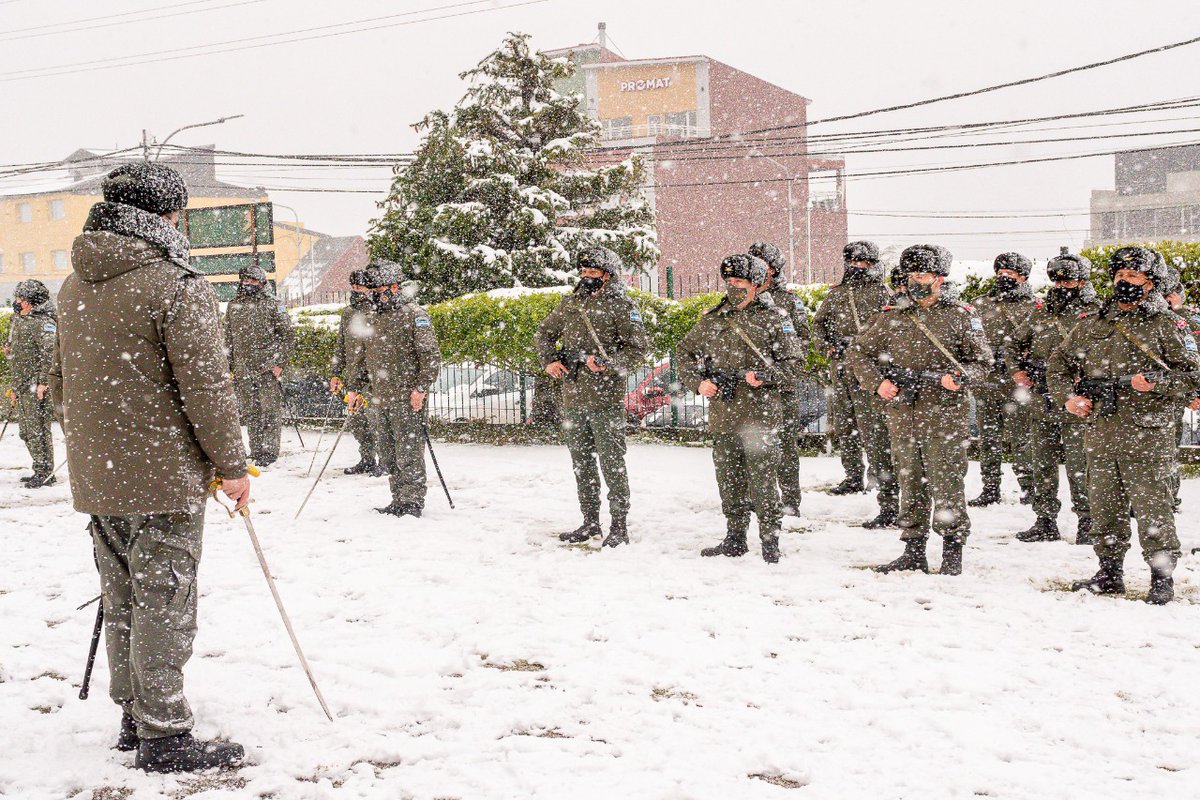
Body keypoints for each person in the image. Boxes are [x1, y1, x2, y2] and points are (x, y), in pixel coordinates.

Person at [49, 162, 247, 772]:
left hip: (100, 475)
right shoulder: (175, 284)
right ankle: (164, 733)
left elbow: (60, 383)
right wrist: (233, 465)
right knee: (165, 598)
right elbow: (207, 387)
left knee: (124, 597)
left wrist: (94, 448)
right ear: (165, 216)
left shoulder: (74, 286)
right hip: (161, 474)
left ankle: (135, 716)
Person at [1050, 246, 1200, 604]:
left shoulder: (1168, 324)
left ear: (1151, 282)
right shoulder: (1093, 324)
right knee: (1104, 508)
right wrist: (1068, 400)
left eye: (1133, 276)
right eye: (1119, 276)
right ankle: (1109, 573)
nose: (1124, 282)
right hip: (1101, 431)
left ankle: (1161, 577)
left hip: (1147, 434)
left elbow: (1192, 375)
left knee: (1153, 511)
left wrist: (1155, 384)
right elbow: (1058, 366)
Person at [846, 244, 992, 576]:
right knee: (909, 482)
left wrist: (960, 379)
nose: (915, 281)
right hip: (903, 415)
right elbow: (859, 352)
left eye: (922, 275)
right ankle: (913, 550)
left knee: (947, 484)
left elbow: (983, 363)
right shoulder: (892, 315)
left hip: (943, 416)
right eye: (911, 275)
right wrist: (877, 383)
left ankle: (952, 551)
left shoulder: (960, 315)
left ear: (940, 278)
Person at [675, 253, 804, 563]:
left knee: (762, 481)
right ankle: (735, 537)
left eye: (740, 282)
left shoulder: (775, 318)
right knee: (729, 479)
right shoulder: (714, 318)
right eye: (729, 281)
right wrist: (698, 383)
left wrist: (766, 375)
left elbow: (795, 364)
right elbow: (685, 352)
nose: (733, 287)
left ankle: (770, 540)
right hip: (724, 411)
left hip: (759, 414)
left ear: (756, 285)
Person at [535, 246, 649, 546]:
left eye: (593, 273)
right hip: (572, 397)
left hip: (604, 400)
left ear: (608, 275)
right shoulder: (570, 304)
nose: (586, 278)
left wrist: (609, 363)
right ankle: (589, 522)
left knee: (612, 464)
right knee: (581, 464)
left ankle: (619, 525)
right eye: (583, 272)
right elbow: (544, 333)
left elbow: (637, 347)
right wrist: (549, 360)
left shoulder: (622, 307)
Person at [1010, 248, 1100, 543]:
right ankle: (1045, 519)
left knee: (1080, 465)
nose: (1063, 287)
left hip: (1077, 397)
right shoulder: (1041, 312)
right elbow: (1012, 344)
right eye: (1058, 281)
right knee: (1042, 462)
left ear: (1082, 281)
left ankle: (1087, 522)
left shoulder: (1096, 313)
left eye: (1069, 281)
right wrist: (1017, 372)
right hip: (1042, 397)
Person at [811, 241, 899, 528]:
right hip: (841, 369)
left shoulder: (884, 293)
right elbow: (819, 324)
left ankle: (879, 477)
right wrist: (829, 345)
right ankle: (852, 476)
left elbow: (892, 329)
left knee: (873, 428)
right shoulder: (837, 294)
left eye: (864, 262)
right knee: (844, 425)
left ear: (874, 264)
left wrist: (870, 350)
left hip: (870, 371)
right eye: (853, 262)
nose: (858, 267)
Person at [345, 262, 441, 517]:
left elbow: (430, 355)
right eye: (372, 288)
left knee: (408, 451)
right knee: (387, 452)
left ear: (394, 287)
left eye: (379, 288)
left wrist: (421, 387)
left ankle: (411, 501)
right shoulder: (371, 317)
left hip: (407, 397)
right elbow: (362, 357)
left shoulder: (415, 315)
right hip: (379, 396)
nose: (374, 293)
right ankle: (397, 497)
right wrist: (353, 387)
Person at [967, 253, 1038, 507]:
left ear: (1023, 277)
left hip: (1018, 381)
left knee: (1022, 438)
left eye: (1010, 272)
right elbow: (971, 337)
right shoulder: (981, 304)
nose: (1004, 276)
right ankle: (990, 487)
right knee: (988, 439)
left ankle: (1029, 487)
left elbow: (1039, 341)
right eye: (1000, 271)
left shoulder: (1033, 306)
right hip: (987, 380)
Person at [749, 241, 812, 516]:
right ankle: (758, 498)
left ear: (775, 269)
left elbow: (804, 341)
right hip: (750, 387)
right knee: (752, 446)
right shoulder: (742, 298)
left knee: (784, 446)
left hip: (782, 386)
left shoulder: (788, 300)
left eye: (766, 266)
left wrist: (778, 367)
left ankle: (789, 500)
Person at [224, 263, 294, 467]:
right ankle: (256, 449)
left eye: (253, 280)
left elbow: (287, 336)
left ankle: (270, 450)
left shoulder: (274, 304)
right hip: (242, 369)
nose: (248, 284)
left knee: (270, 410)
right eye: (245, 280)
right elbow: (228, 338)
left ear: (262, 283)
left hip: (267, 368)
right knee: (250, 411)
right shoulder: (234, 304)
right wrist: (228, 366)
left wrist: (279, 362)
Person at [4, 279, 57, 487]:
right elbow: (15, 352)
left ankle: (45, 472)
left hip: (36, 387)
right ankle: (39, 466)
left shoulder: (44, 323)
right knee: (26, 431)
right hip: (22, 384)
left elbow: (49, 354)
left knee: (39, 431)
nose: (16, 302)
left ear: (27, 301)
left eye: (18, 298)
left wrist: (43, 382)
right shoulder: (17, 320)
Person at [1157, 263, 1200, 512]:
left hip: (1176, 392)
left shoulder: (1189, 317)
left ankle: (1169, 498)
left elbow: (1193, 354)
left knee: (1167, 450)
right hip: (1150, 391)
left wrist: (1179, 312)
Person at [329, 269, 381, 476]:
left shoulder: (379, 312)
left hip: (374, 377)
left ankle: (385, 461)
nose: (355, 291)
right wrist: (335, 373)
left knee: (376, 420)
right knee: (358, 422)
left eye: (360, 287)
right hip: (353, 376)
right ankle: (367, 459)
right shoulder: (348, 313)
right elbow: (341, 344)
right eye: (353, 287)